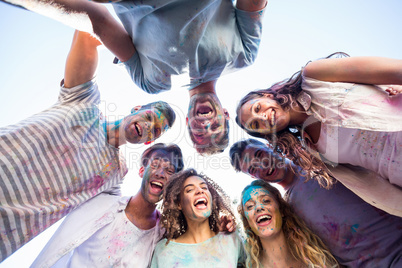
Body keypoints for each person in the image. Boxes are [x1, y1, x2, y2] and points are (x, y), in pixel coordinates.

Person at [0, 30, 176, 262]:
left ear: (149, 142)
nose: (149, 126)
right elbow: (86, 33)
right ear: (137, 109)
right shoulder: (83, 100)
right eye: (150, 117)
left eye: (155, 130)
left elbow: (128, 214)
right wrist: (132, 54)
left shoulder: (114, 175)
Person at [5, 0, 268, 154]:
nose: (205, 124)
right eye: (214, 127)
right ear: (223, 113)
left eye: (198, 131)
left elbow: (100, 21)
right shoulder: (244, 56)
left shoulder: (152, 84)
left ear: (188, 122)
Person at [235, 53, 402, 199]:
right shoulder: (312, 150)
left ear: (266, 95)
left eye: (257, 108)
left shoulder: (315, 76)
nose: (262, 116)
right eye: (256, 124)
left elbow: (396, 70)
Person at [230, 139, 402, 267]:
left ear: (268, 146)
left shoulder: (320, 160)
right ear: (254, 176)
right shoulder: (288, 212)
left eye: (259, 155)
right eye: (253, 169)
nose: (262, 165)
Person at [31, 142, 184, 267]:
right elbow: (103, 148)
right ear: (141, 170)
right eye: (155, 164)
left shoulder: (163, 238)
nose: (161, 173)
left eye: (169, 171)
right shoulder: (103, 201)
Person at [150, 168, 244, 267]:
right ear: (178, 204)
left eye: (204, 187)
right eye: (190, 190)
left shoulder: (232, 240)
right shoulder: (163, 251)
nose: (200, 191)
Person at [239, 179, 338, 268]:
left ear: (281, 210)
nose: (259, 207)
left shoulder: (316, 257)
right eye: (250, 206)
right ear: (247, 222)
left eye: (266, 201)